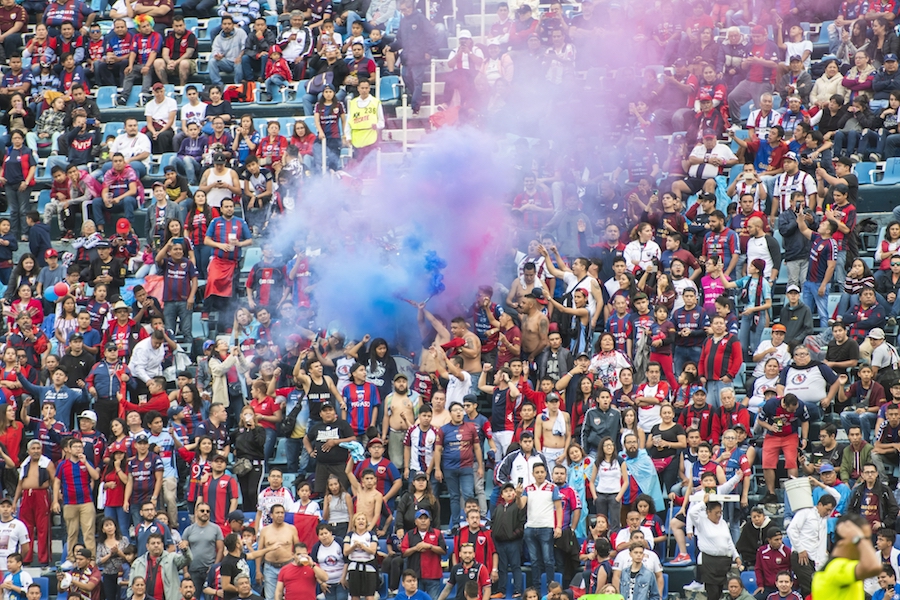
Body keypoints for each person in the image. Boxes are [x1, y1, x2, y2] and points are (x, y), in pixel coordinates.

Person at [811, 513, 883, 600]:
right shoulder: (835, 568)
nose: (867, 545)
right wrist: (858, 538)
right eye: (865, 539)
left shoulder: (844, 565)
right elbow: (873, 567)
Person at [53, 437, 99, 561]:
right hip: (69, 502)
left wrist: (85, 463)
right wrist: (55, 501)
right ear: (69, 449)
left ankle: (91, 559)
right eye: (75, 447)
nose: (78, 449)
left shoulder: (87, 462)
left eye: (80, 447)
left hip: (86, 501)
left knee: (88, 532)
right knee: (72, 533)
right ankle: (71, 559)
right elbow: (57, 482)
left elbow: (95, 476)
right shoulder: (62, 465)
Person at [129, 532, 192, 600]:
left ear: (162, 545)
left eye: (158, 543)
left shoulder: (172, 558)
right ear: (147, 546)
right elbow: (131, 586)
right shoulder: (138, 563)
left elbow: (188, 559)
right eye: (153, 543)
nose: (156, 545)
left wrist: (185, 550)